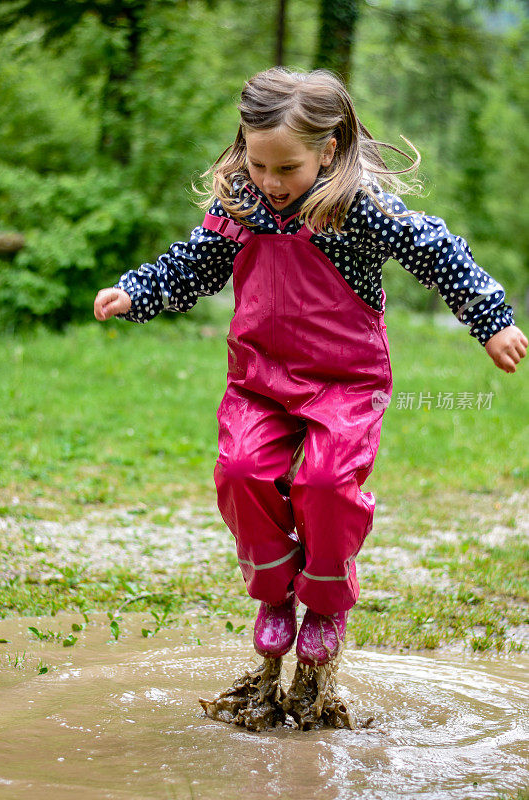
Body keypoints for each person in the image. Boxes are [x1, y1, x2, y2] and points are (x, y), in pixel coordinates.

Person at [94, 68, 527, 667]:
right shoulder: (242, 206)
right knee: (239, 470)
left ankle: (324, 600)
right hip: (259, 380)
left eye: (286, 168)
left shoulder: (356, 208)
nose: (270, 182)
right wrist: (137, 292)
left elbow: (438, 251)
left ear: (327, 153)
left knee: (323, 485)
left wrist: (490, 318)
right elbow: (194, 264)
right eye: (258, 163)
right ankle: (274, 592)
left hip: (345, 383)